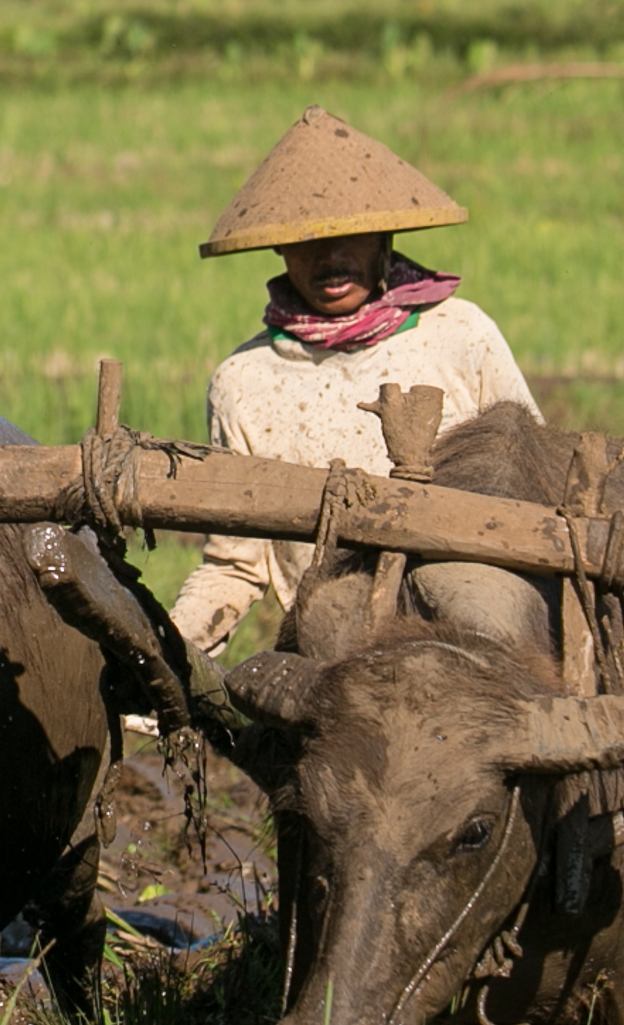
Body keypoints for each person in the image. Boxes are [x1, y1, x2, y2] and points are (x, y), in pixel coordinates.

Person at [166, 106, 542, 661]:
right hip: (337, 648)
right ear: (277, 246)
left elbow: (536, 484)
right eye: (307, 241)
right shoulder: (244, 382)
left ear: (385, 237)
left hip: (479, 641)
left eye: (352, 237)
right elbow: (235, 564)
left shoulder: (461, 334)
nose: (331, 258)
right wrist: (166, 658)